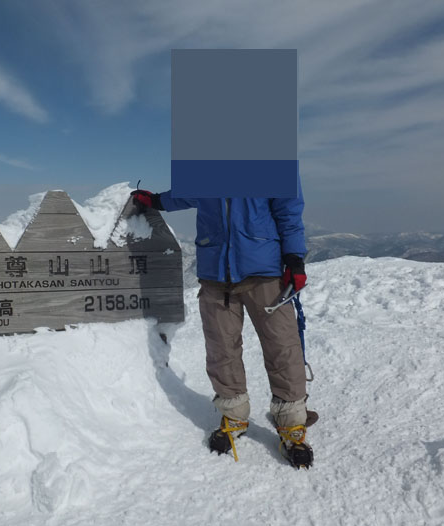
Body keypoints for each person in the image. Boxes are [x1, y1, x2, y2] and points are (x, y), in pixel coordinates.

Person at [131, 182, 314, 468]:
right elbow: (188, 190)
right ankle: (234, 415)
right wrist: (157, 201)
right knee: (221, 349)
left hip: (264, 270)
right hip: (215, 270)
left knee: (282, 346)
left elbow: (288, 210)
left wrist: (293, 259)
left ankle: (291, 423)